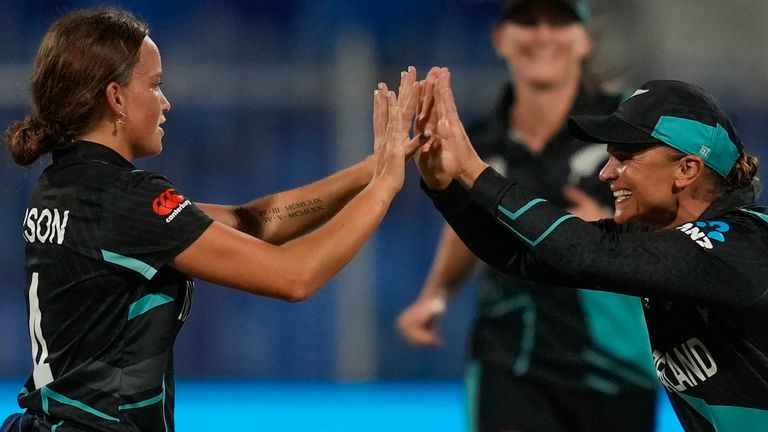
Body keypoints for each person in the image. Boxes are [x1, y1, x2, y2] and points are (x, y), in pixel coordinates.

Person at [2, 7, 420, 432]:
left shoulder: (63, 185)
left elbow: (250, 221)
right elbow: (297, 276)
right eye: (155, 84)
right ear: (117, 98)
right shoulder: (125, 199)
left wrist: (370, 167)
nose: (166, 101)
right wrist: (385, 186)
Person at [415, 69, 767, 432]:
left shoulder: (746, 243)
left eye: (625, 157)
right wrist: (447, 189)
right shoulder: (663, 239)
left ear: (687, 169)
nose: (606, 173)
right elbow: (523, 256)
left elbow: (582, 253)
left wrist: (474, 170)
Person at [397, 1, 657, 431]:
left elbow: (682, 212)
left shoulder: (629, 124)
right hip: (509, 357)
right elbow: (469, 224)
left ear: (585, 40)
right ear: (501, 39)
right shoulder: (476, 141)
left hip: (613, 363)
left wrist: (615, 229)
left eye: (559, 21)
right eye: (527, 21)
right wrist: (436, 294)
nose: (541, 35)